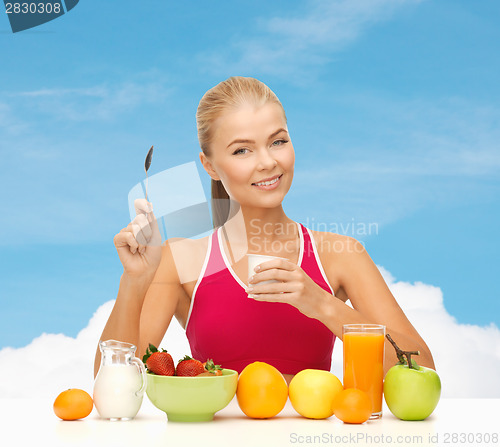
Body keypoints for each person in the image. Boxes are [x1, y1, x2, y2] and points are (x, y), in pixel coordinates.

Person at [94, 76, 435, 383]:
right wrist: (134, 281)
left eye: (277, 141)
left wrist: (323, 305)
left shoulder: (340, 255)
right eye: (242, 150)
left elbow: (423, 371)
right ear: (209, 165)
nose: (268, 162)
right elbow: (113, 385)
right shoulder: (181, 259)